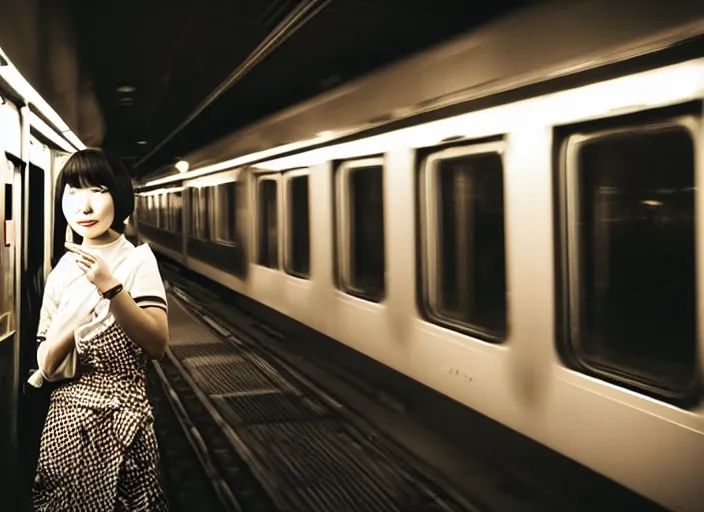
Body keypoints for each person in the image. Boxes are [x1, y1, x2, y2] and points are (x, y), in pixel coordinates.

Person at [28, 148, 170, 511]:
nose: (84, 207)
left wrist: (111, 288)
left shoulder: (138, 262)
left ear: (119, 197)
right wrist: (75, 316)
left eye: (97, 190)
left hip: (124, 421)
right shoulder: (61, 272)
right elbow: (44, 361)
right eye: (73, 192)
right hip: (65, 423)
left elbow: (156, 344)